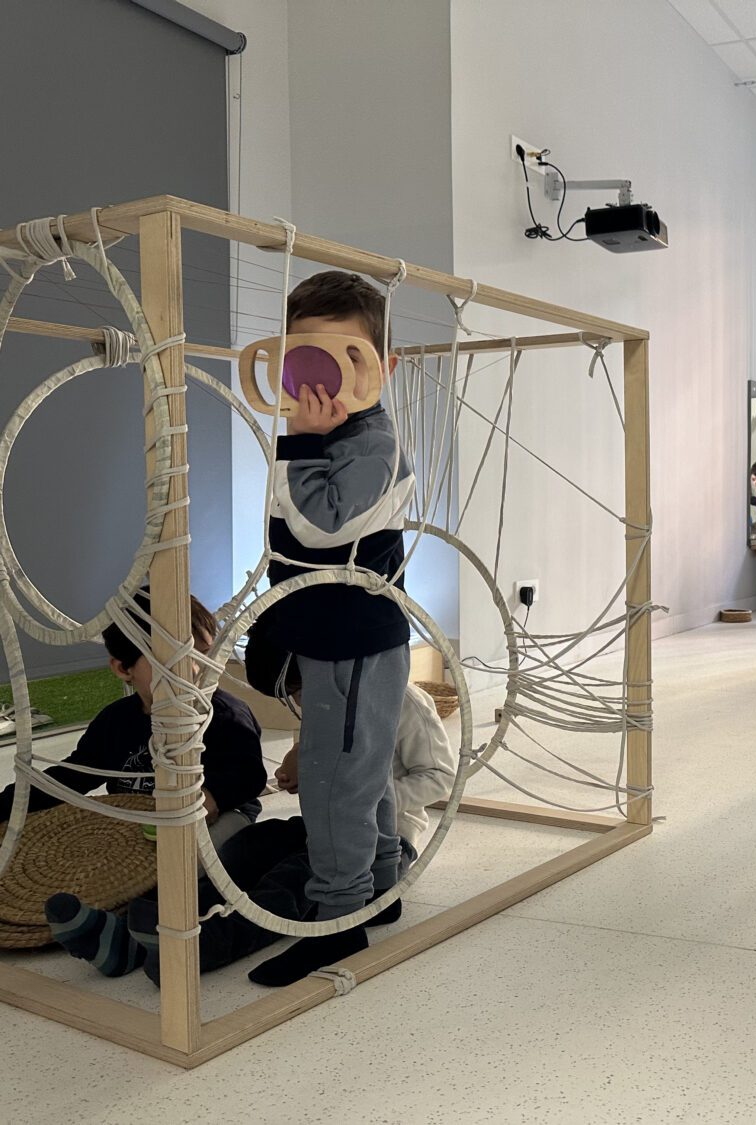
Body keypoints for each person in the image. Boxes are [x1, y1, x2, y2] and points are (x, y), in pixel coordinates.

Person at [43, 641, 457, 984]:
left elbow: (439, 777)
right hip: (320, 825)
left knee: (296, 876)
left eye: (301, 691)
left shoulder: (404, 701)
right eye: (295, 696)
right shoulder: (321, 697)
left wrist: (349, 796)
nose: (302, 703)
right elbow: (325, 755)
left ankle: (211, 943)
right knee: (249, 848)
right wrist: (300, 765)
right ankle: (142, 933)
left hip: (386, 838)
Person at [246, 270, 416, 985]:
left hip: (355, 639)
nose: (327, 381)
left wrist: (302, 440)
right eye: (310, 359)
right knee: (360, 767)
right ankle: (380, 881)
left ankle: (339, 916)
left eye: (350, 359)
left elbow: (322, 525)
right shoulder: (339, 434)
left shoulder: (371, 445)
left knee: (334, 778)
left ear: (384, 368)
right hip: (338, 635)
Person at [1, 591, 265, 852]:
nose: (195, 670)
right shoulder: (115, 722)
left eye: (204, 654)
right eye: (173, 660)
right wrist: (9, 805)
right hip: (141, 821)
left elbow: (250, 775)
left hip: (223, 816)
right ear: (123, 669)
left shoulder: (227, 715)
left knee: (189, 859)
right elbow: (72, 776)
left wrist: (212, 795)